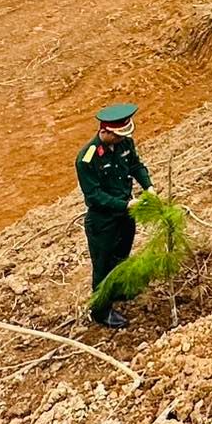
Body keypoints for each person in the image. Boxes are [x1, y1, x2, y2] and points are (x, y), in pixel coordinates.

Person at [77, 103, 152, 328]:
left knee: (121, 256)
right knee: (103, 266)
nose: (122, 139)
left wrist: (148, 187)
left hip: (126, 215)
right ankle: (100, 310)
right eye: (118, 136)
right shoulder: (87, 159)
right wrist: (126, 204)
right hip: (103, 222)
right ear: (105, 132)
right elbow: (95, 196)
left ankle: (119, 291)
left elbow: (136, 166)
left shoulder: (125, 143)